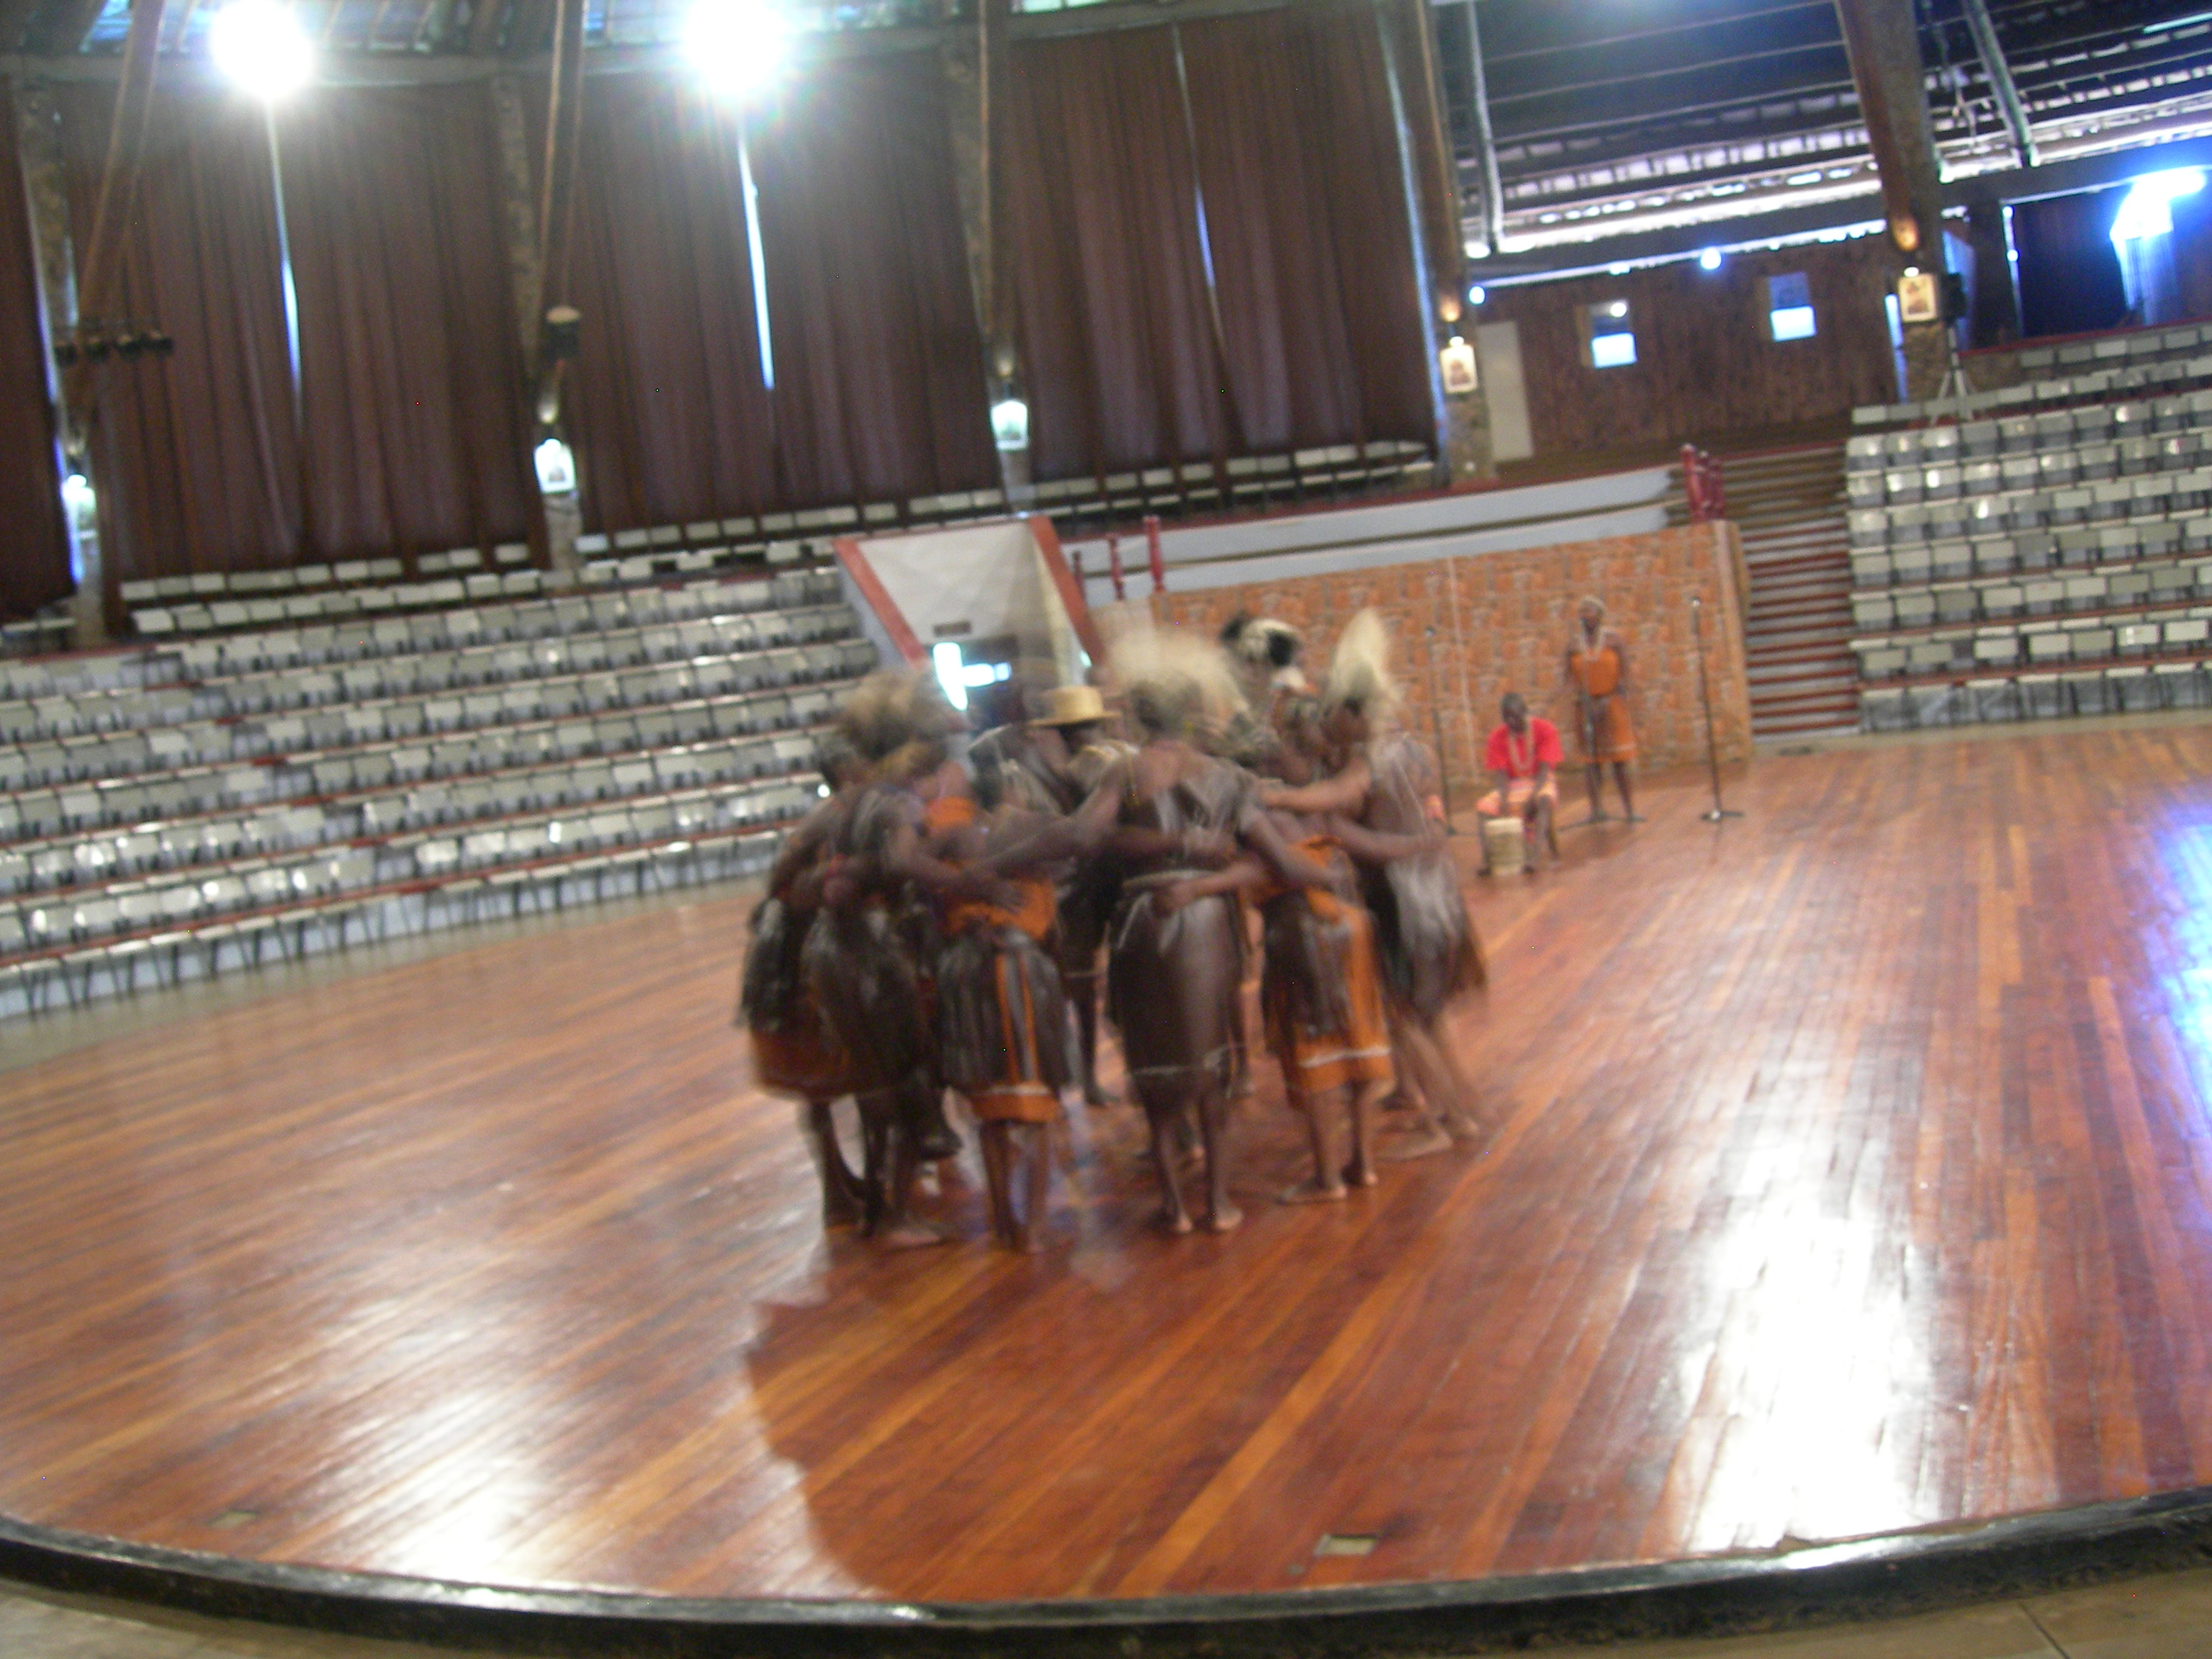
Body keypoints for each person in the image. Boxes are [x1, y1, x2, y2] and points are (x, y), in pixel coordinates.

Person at [1092, 630, 1337, 1233]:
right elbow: (1279, 860)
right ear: (1189, 714)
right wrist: (1334, 874)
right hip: (1205, 926)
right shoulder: (1226, 776)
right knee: (1212, 1066)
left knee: (1153, 1062)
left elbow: (1089, 837)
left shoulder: (1124, 772)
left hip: (1142, 920)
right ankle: (1219, 1202)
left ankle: (1174, 1206)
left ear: (1140, 716)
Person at [804, 671, 1014, 1249]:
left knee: (874, 1084)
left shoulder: (848, 801)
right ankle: (895, 1216)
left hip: (839, 945)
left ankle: (879, 1207)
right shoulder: (894, 800)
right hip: (874, 950)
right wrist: (967, 881)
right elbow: (900, 861)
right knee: (904, 1081)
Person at [1263, 611, 1484, 1158]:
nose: (1330, 721)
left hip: (1404, 901)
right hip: (1437, 892)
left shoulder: (1369, 761)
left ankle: (1440, 1123)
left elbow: (1335, 797)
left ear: (1357, 712)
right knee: (1429, 1015)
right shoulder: (1414, 750)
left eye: (1337, 711)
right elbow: (1413, 816)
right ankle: (1460, 1112)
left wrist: (1277, 797)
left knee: (1406, 1017)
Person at [1161, 699, 1394, 1203]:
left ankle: (1328, 1179)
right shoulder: (1311, 799)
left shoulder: (1250, 803)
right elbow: (1348, 848)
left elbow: (1270, 867)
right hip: (1351, 924)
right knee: (1358, 1047)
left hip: (1305, 932)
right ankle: (1364, 1164)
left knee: (1317, 1055)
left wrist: (1198, 887)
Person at [739, 734, 865, 1228]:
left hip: (814, 948)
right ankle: (834, 1187)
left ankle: (841, 1179)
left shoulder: (845, 815)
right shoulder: (828, 818)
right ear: (845, 771)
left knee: (832, 1081)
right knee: (817, 1081)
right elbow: (778, 881)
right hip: (802, 959)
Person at [1565, 596, 1640, 824]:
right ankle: (1596, 810)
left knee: (1619, 761)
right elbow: (1567, 678)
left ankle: (1629, 810)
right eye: (1582, 612)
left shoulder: (1613, 639)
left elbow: (1626, 673)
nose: (1585, 616)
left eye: (1589, 611)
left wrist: (1616, 695)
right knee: (1592, 763)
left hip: (1612, 704)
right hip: (1586, 707)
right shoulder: (1574, 645)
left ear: (1600, 615)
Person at [1474, 693, 1561, 875]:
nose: (1511, 722)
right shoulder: (1497, 737)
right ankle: (1487, 860)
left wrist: (1532, 797)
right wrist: (1504, 800)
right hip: (1512, 786)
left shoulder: (1544, 729)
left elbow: (1545, 771)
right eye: (1507, 718)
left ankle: (1534, 858)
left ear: (1525, 712)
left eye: (1515, 716)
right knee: (1484, 808)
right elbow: (1501, 776)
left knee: (1543, 800)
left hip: (1541, 781)